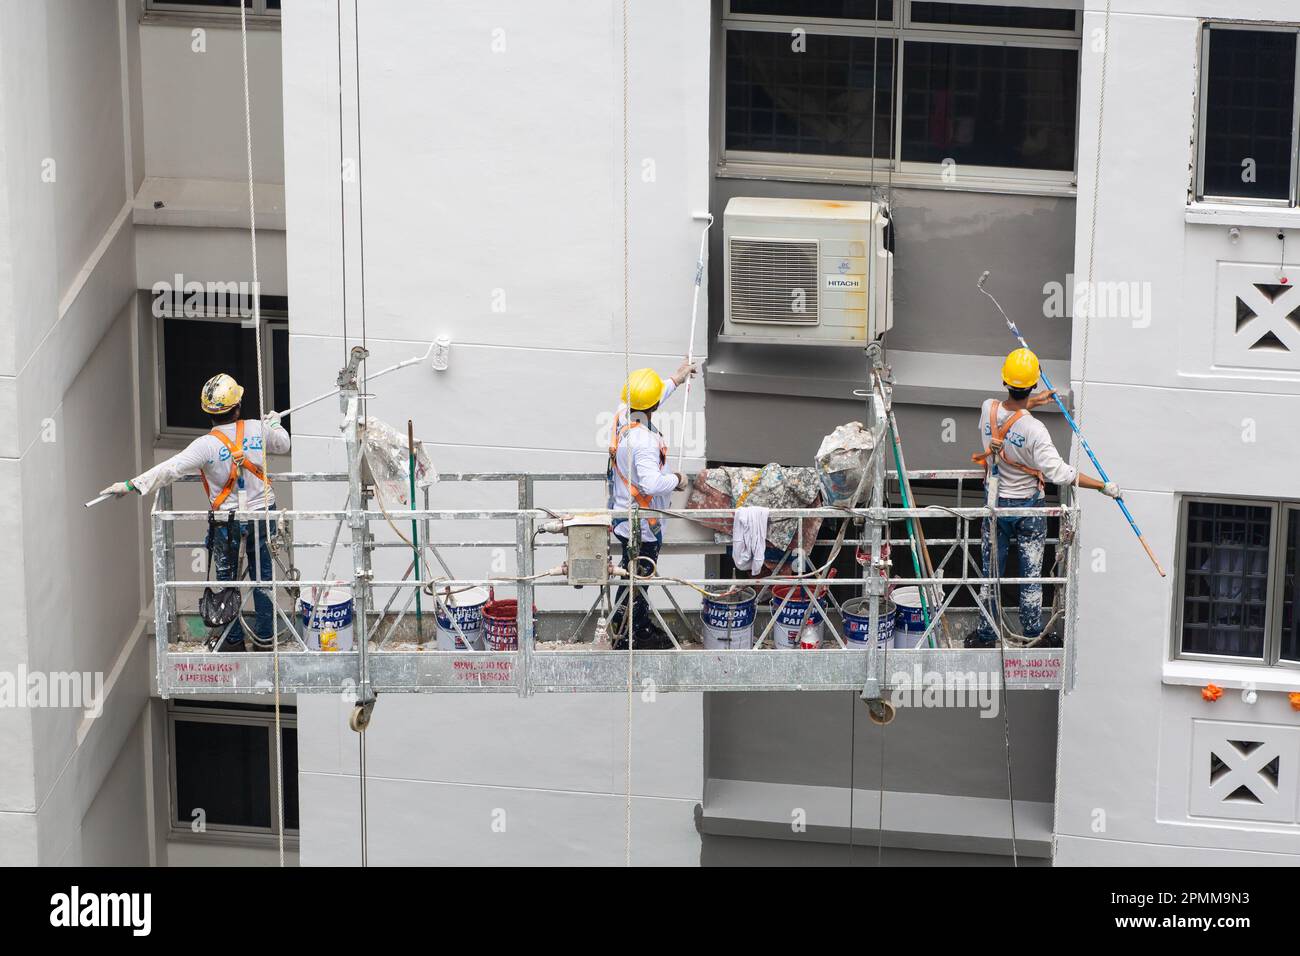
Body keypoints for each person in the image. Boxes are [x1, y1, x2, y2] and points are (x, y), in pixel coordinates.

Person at [100, 373, 291, 652]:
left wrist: (130, 485)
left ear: (209, 413)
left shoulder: (206, 445)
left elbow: (169, 469)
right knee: (263, 579)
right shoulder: (257, 428)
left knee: (227, 582)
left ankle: (232, 640)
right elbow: (283, 444)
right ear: (238, 406)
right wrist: (274, 424)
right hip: (263, 515)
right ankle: (265, 641)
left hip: (228, 522)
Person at [966, 348, 1119, 648]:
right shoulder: (1036, 430)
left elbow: (1007, 417)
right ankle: (1033, 633)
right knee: (1030, 575)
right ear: (1034, 384)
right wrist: (1103, 486)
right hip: (1027, 509)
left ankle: (985, 634)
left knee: (990, 574)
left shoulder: (987, 410)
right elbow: (1060, 473)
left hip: (995, 506)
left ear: (1004, 380)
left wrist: (1033, 402)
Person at [607, 360, 695, 649]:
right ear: (653, 406)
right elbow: (651, 484)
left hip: (624, 517)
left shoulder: (623, 417)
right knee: (640, 576)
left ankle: (624, 624)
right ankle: (635, 633)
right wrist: (678, 479)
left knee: (629, 572)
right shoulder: (643, 441)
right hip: (642, 524)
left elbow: (650, 398)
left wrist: (676, 380)